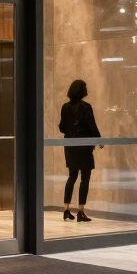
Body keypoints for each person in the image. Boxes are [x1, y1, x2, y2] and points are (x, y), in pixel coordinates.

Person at [59, 79, 101, 223]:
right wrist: (98, 139)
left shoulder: (65, 107)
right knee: (85, 177)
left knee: (72, 176)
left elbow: (61, 127)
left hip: (70, 145)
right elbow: (91, 125)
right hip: (84, 146)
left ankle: (66, 209)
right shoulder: (86, 107)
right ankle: (81, 211)